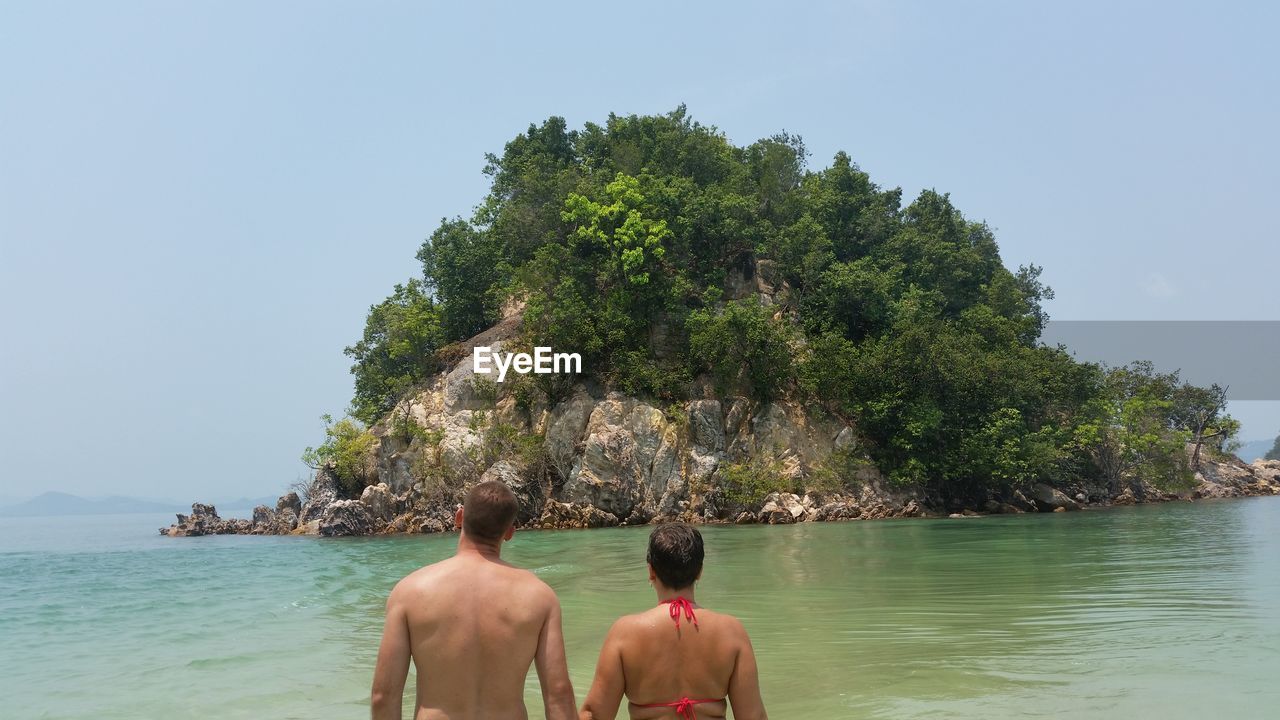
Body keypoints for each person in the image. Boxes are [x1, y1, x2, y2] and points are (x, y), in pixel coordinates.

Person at [371, 480, 577, 720]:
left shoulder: (409, 591)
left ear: (459, 517)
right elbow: (558, 695)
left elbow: (383, 696)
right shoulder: (540, 597)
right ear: (510, 532)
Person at [579, 523, 767, 720]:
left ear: (651, 571)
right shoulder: (732, 632)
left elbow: (593, 714)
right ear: (699, 571)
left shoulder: (624, 633)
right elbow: (753, 716)